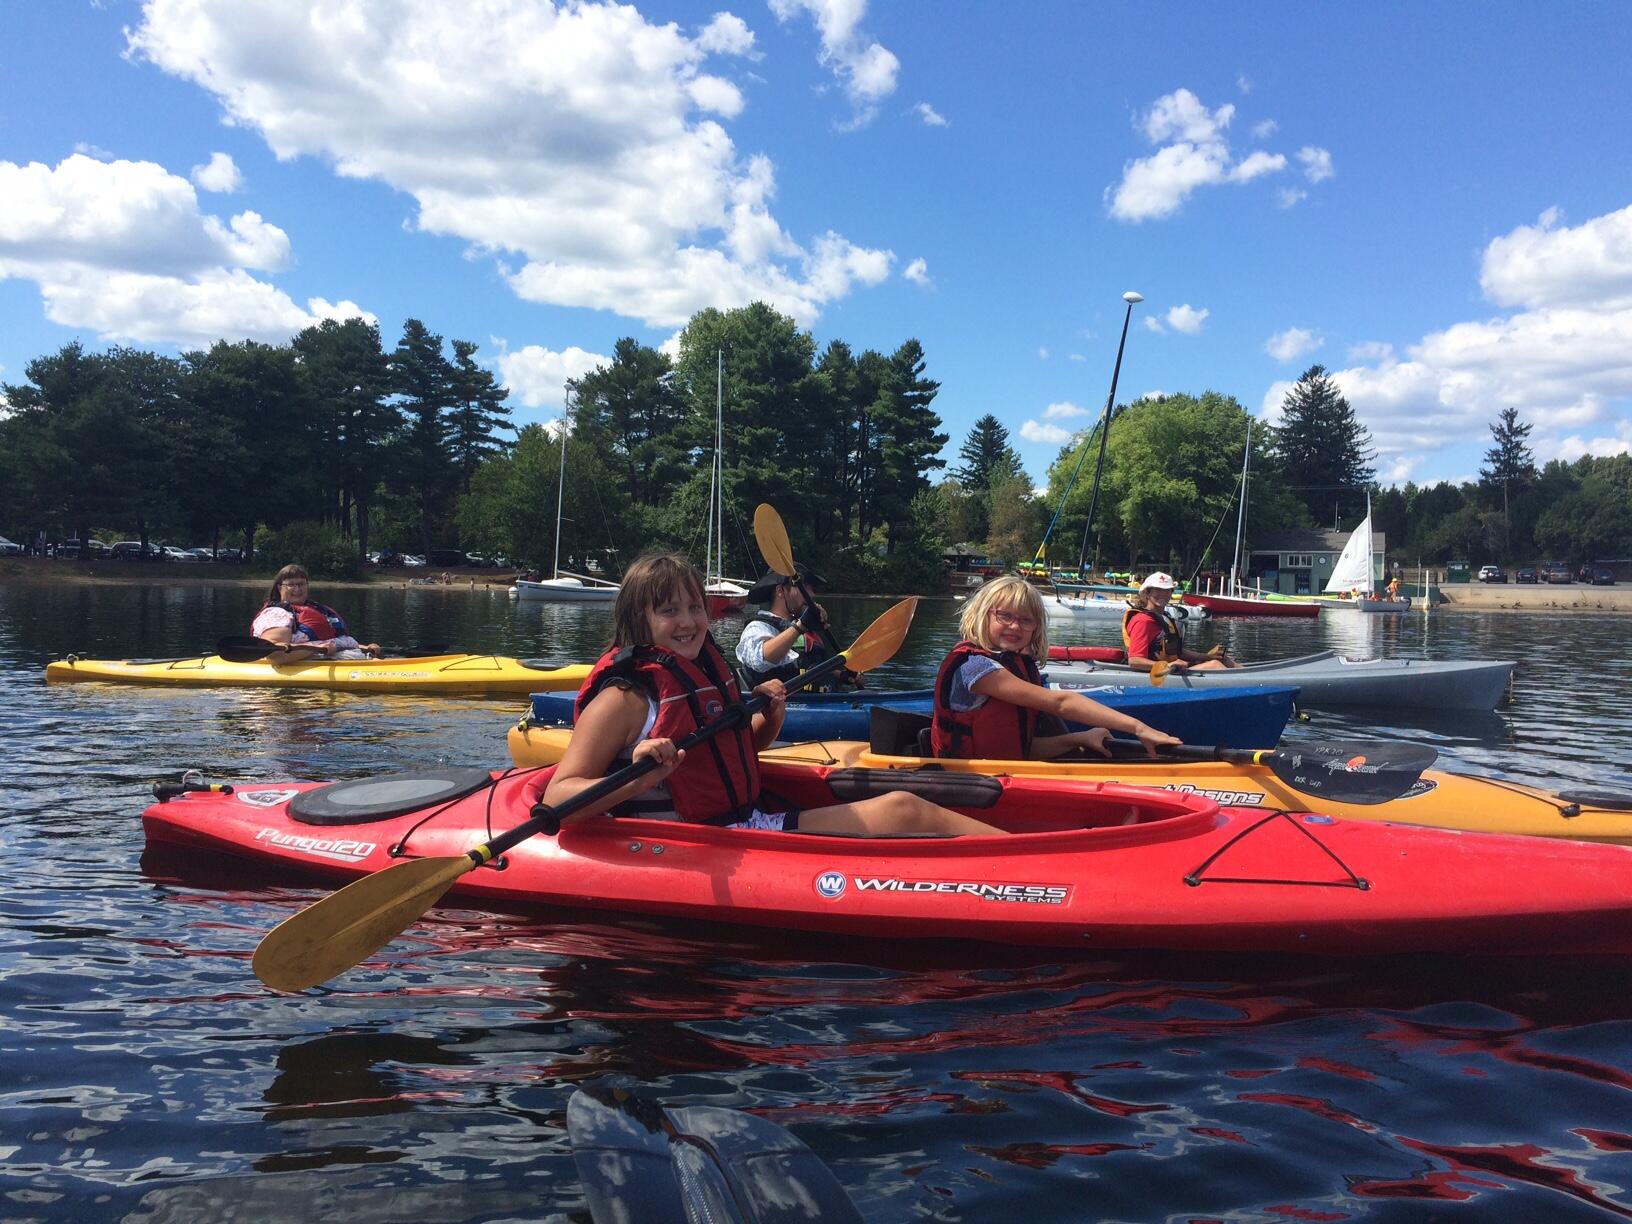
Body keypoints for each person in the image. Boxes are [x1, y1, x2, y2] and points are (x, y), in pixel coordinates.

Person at [545, 553, 1006, 836]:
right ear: (638, 620)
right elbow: (557, 800)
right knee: (904, 811)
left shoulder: (702, 671)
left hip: (742, 820)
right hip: (700, 841)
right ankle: (1042, 866)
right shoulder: (624, 699)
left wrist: (771, 718)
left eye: (694, 608)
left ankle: (1025, 854)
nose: (687, 621)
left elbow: (738, 752)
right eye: (669, 611)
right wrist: (638, 776)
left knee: (905, 806)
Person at [932, 575, 1182, 760]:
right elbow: (1061, 703)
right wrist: (1139, 728)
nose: (1015, 626)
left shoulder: (1017, 666)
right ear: (982, 615)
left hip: (1009, 775)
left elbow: (1022, 750)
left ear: (1036, 627)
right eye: (1004, 616)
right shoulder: (976, 669)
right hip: (971, 783)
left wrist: (1079, 738)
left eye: (1025, 620)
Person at [735, 562, 857, 691]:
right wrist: (800, 626)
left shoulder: (804, 628)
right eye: (804, 587)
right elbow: (760, 660)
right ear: (780, 591)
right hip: (785, 706)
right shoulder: (758, 627)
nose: (811, 594)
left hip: (821, 703)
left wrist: (840, 675)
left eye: (811, 589)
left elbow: (805, 669)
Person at [251, 564, 382, 661]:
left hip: (340, 656)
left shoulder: (318, 609)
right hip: (310, 661)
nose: (297, 589)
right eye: (291, 584)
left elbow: (330, 641)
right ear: (280, 588)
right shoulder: (277, 614)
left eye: (301, 584)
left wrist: (364, 647)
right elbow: (274, 654)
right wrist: (316, 650)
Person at [1122, 573, 1238, 673]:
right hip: (1159, 673)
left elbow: (1176, 652)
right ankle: (1246, 688)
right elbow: (1135, 660)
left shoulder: (1163, 618)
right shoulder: (1142, 621)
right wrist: (1168, 665)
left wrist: (1205, 656)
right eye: (1158, 590)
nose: (1163, 593)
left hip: (1173, 668)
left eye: (1167, 590)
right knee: (1214, 665)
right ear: (1147, 593)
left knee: (1222, 659)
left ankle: (1253, 683)